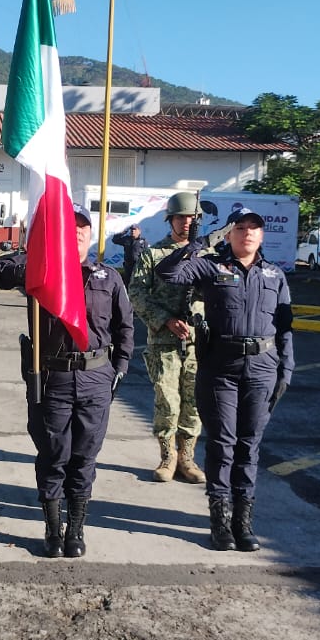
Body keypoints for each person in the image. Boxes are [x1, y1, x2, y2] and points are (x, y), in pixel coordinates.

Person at [0, 203, 134, 558]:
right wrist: (34, 255)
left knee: (85, 457)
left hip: (96, 377)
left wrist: (120, 368)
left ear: (91, 233)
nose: (78, 231)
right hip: (54, 378)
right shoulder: (41, 271)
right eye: (70, 226)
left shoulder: (108, 277)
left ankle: (76, 530)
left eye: (83, 226)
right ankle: (53, 529)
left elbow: (124, 327)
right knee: (53, 455)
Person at [156, 207, 294, 552]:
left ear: (262, 236)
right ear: (230, 234)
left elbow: (286, 328)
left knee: (250, 444)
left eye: (254, 228)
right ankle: (220, 520)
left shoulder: (275, 275)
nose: (247, 233)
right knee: (222, 443)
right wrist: (199, 243)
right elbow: (167, 272)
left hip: (262, 366)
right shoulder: (211, 266)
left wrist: (286, 370)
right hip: (220, 366)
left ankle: (242, 521)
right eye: (240, 227)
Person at [128, 191, 204, 483]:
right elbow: (136, 293)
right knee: (168, 401)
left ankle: (187, 456)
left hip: (198, 342)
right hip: (164, 342)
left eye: (191, 218)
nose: (186, 222)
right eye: (181, 217)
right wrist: (166, 320)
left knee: (194, 400)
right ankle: (168, 455)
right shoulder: (153, 254)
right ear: (170, 219)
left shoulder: (205, 255)